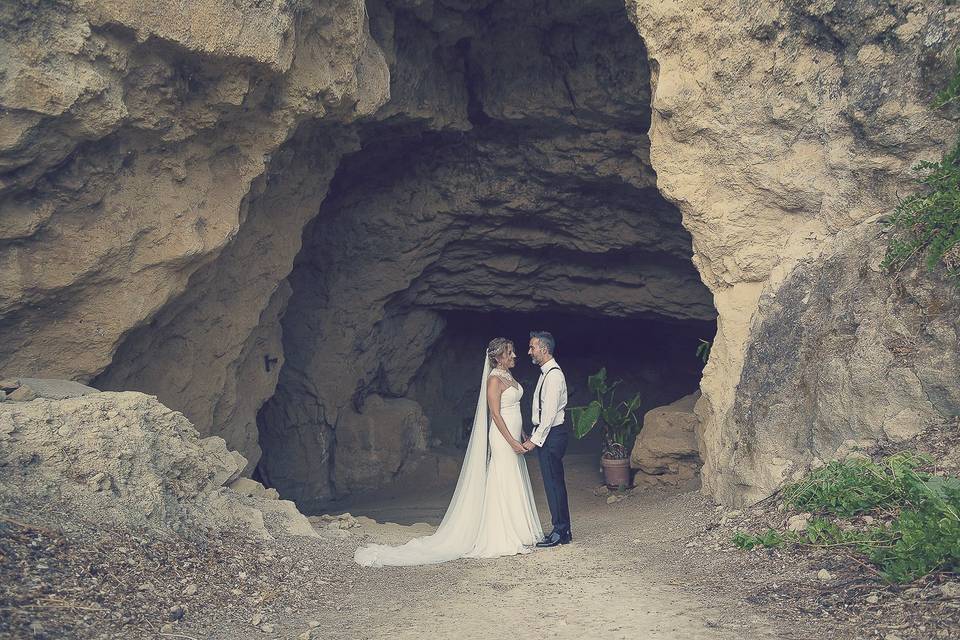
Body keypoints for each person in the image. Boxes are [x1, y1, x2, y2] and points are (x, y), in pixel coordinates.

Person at [354, 338, 542, 566]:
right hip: (502, 438)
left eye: (512, 352)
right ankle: (499, 534)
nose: (514, 356)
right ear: (497, 357)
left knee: (514, 478)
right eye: (509, 353)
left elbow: (512, 409)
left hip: (513, 433)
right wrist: (511, 441)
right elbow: (495, 414)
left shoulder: (508, 376)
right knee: (501, 477)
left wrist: (521, 433)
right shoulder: (493, 380)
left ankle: (518, 529)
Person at [523, 330, 572, 547]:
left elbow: (550, 413)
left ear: (543, 349)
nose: (529, 351)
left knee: (554, 484)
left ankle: (561, 532)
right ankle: (562, 530)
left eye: (532, 347)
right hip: (549, 434)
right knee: (553, 483)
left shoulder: (553, 376)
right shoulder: (547, 373)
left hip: (553, 434)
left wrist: (535, 440)